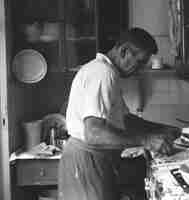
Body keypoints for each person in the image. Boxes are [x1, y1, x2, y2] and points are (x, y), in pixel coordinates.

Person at [58, 27, 181, 200]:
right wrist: (146, 140)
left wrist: (164, 128)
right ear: (123, 51)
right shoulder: (103, 73)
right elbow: (93, 133)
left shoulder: (107, 73)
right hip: (87, 160)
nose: (138, 70)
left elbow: (125, 119)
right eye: (138, 62)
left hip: (93, 159)